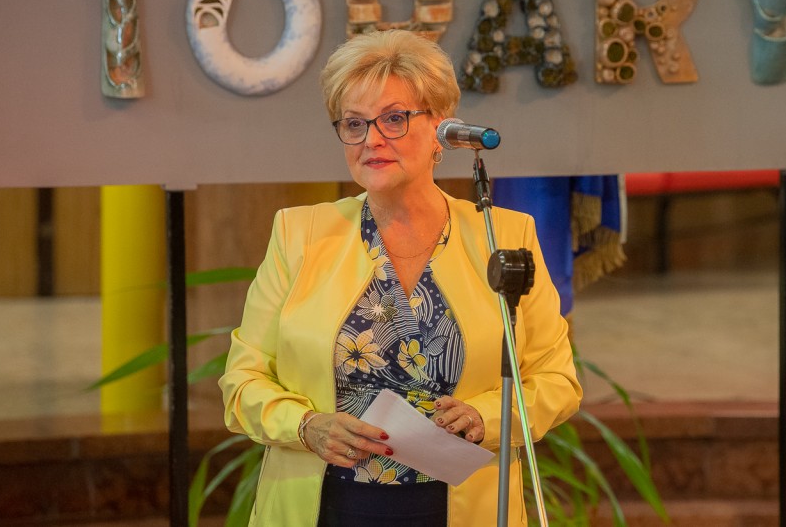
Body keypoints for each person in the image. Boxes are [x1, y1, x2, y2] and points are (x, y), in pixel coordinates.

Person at [219, 29, 583, 526]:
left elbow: (556, 379)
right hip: (326, 509)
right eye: (354, 123)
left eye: (393, 118)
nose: (371, 139)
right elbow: (243, 380)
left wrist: (487, 417)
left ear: (440, 127)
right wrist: (306, 425)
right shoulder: (299, 234)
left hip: (462, 509)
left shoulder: (504, 234)